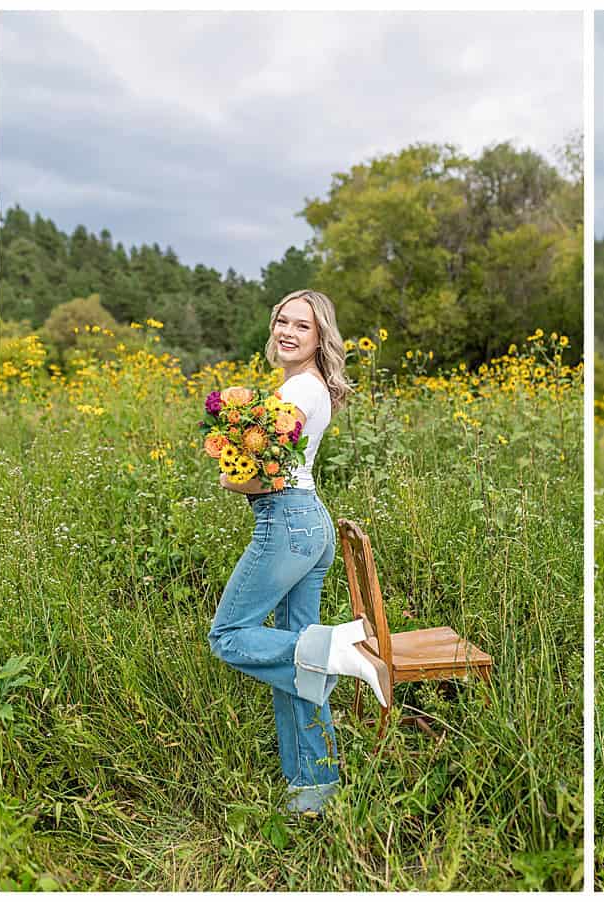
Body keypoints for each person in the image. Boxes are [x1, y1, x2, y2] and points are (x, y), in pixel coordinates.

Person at [206, 289, 389, 816]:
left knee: (229, 636)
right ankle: (315, 787)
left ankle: (339, 655)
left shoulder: (299, 393)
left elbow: (268, 475)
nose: (287, 331)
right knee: (296, 657)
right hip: (310, 525)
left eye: (301, 326)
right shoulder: (306, 386)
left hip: (286, 522)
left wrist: (230, 477)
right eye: (282, 321)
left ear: (319, 337)